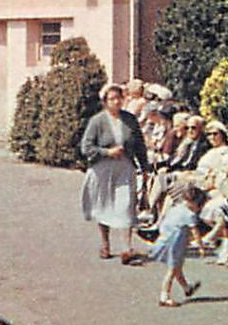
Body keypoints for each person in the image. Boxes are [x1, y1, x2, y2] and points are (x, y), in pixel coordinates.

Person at [79, 83, 148, 262]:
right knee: (104, 205)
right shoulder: (97, 121)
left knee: (126, 204)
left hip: (125, 166)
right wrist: (106, 152)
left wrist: (144, 166)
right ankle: (105, 244)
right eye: (112, 99)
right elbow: (86, 147)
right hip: (102, 167)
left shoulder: (130, 119)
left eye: (119, 98)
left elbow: (139, 144)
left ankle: (127, 248)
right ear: (105, 102)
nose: (116, 102)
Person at [150, 182, 207, 307]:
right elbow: (195, 232)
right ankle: (164, 296)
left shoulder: (175, 208)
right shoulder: (189, 215)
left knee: (177, 269)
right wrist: (201, 246)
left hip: (166, 239)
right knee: (172, 270)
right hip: (175, 244)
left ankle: (187, 288)